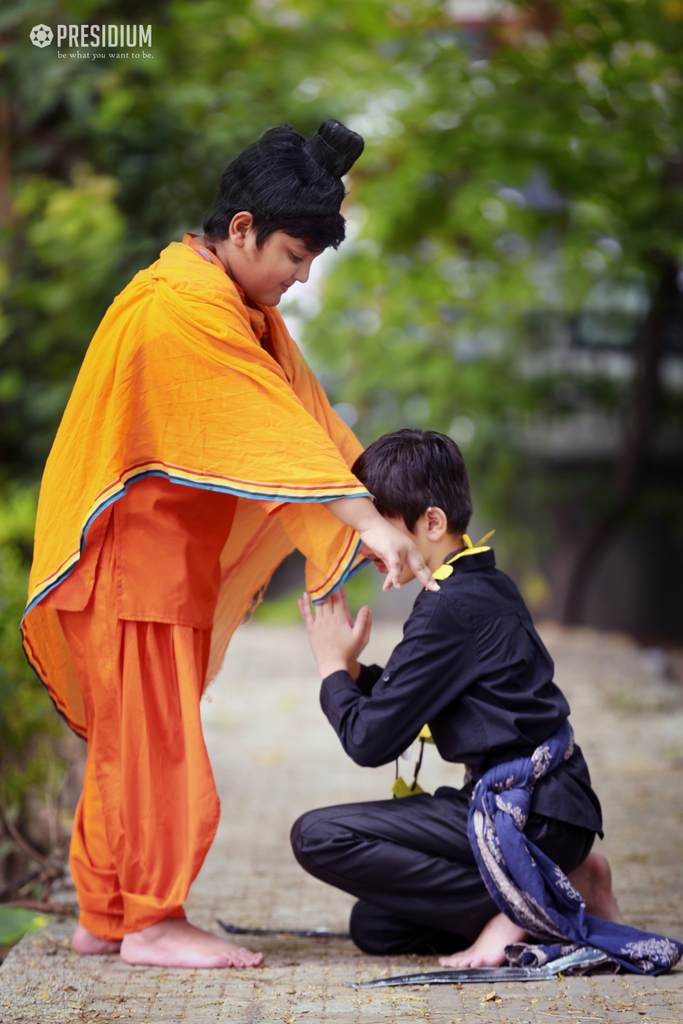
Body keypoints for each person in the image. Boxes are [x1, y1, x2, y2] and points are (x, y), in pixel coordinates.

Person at [21, 122, 438, 970]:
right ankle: (151, 919)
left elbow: (309, 419)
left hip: (153, 570)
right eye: (292, 253)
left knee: (130, 746)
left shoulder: (233, 304)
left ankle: (107, 917)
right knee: (157, 750)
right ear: (240, 229)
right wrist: (361, 523)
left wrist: (386, 520)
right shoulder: (182, 304)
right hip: (131, 570)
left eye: (311, 261)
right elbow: (270, 432)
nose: (300, 276)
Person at [292, 428, 625, 966]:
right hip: (554, 812)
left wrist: (332, 668)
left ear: (431, 522)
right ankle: (566, 881)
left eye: (378, 525)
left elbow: (369, 739)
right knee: (376, 925)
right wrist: (350, 670)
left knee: (318, 836)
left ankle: (524, 906)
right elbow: (415, 692)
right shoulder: (484, 580)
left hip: (526, 811)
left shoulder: (447, 606)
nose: (368, 543)